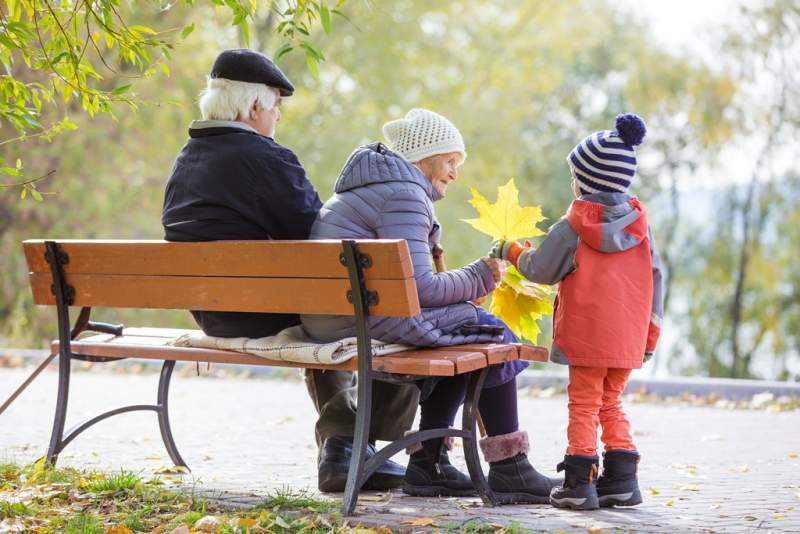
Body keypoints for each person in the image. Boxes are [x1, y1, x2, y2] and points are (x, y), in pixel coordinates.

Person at [161, 48, 413, 492]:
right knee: (385, 314)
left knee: (320, 305)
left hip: (212, 311)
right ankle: (351, 444)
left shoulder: (185, 161)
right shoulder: (266, 158)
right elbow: (320, 243)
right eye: (277, 105)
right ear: (255, 105)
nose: (277, 116)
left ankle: (345, 445)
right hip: (265, 312)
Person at [302, 109, 560, 503]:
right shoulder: (404, 194)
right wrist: (480, 275)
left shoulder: (365, 188)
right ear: (424, 156)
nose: (455, 173)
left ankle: (430, 464)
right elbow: (420, 289)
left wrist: (461, 288)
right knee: (493, 332)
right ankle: (510, 467)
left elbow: (411, 288)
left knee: (462, 338)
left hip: (334, 318)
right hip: (365, 320)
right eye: (451, 161)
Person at [490, 113, 664, 510]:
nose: (573, 182)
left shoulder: (573, 224)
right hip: (629, 336)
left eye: (575, 174)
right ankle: (622, 481)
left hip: (587, 334)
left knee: (583, 404)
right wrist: (650, 336)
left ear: (586, 180)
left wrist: (510, 250)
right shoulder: (641, 227)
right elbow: (657, 280)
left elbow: (541, 270)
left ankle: (578, 484)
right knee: (611, 402)